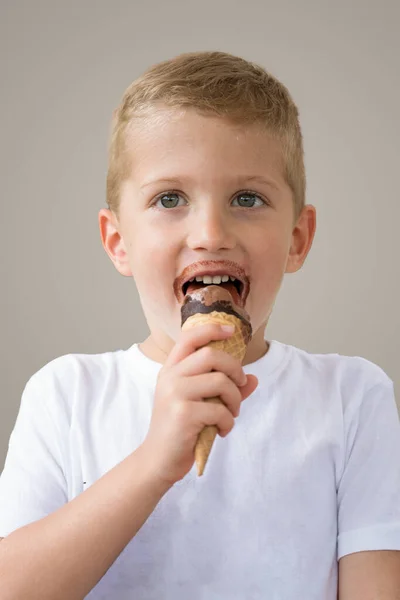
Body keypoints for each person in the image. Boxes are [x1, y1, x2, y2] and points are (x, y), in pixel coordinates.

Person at [0, 51, 399, 600]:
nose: (210, 233)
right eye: (170, 199)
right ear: (118, 242)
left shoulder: (352, 398)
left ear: (297, 240)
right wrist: (152, 463)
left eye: (247, 198)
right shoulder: (66, 396)